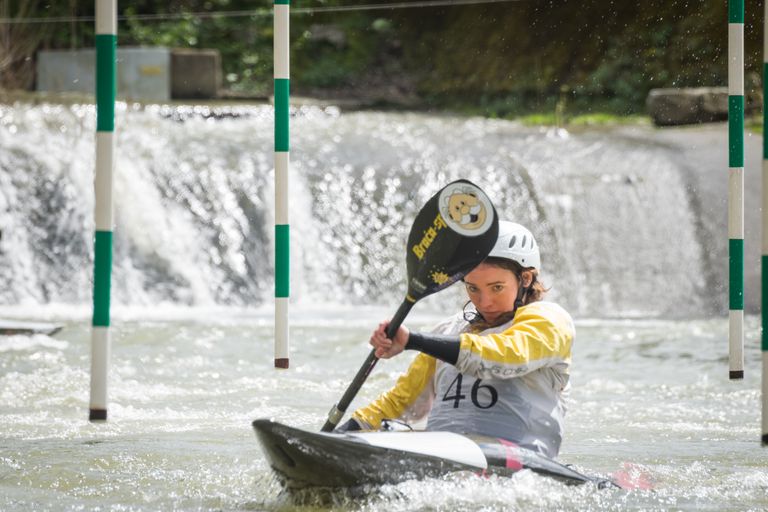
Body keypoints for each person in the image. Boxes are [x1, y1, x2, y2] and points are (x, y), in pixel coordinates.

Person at [336, 221, 574, 459]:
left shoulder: (550, 321)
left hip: (521, 461)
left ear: (526, 278)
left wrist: (413, 341)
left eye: (496, 287)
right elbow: (400, 403)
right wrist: (343, 434)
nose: (485, 302)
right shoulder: (448, 331)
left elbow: (502, 356)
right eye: (473, 288)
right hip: (441, 456)